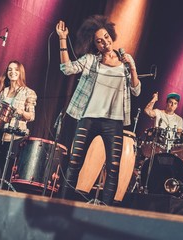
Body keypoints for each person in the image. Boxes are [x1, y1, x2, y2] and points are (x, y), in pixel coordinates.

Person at [56, 15, 141, 205]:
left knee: (113, 169)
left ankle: (106, 211)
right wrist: (63, 38)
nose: (105, 42)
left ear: (111, 35)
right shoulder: (90, 60)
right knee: (74, 163)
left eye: (106, 37)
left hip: (114, 122)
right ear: (94, 45)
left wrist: (132, 68)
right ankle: (62, 205)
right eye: (99, 41)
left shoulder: (125, 62)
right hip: (89, 118)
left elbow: (136, 90)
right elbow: (67, 69)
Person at [0, 60, 37, 186]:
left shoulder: (29, 92)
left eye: (16, 69)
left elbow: (31, 116)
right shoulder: (3, 91)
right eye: (10, 69)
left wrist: (21, 112)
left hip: (14, 136)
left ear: (20, 72)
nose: (12, 72)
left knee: (8, 169)